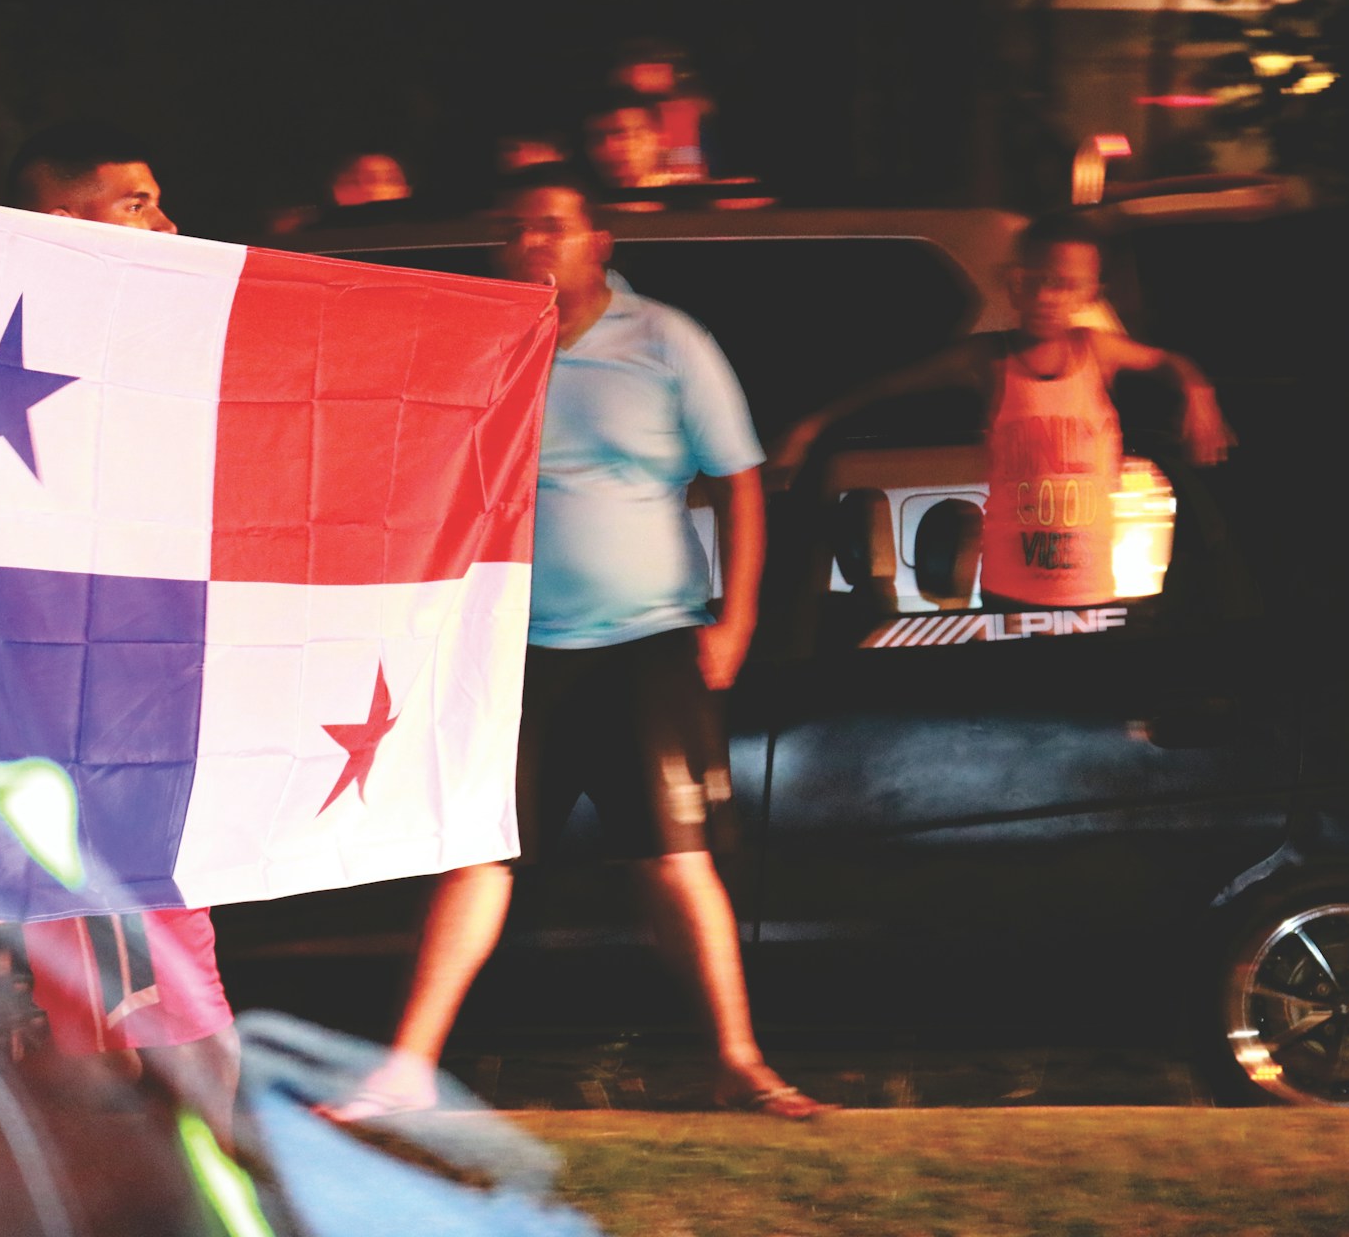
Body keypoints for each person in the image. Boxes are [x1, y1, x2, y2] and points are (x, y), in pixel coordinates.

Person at [337, 165, 820, 1121]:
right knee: (477, 855)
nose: (532, 243)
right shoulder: (484, 343)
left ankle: (738, 1060)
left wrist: (738, 619)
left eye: (552, 225)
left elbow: (742, 482)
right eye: (515, 229)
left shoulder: (668, 341)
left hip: (649, 640)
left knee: (675, 856)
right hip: (518, 649)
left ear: (599, 241)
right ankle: (404, 1069)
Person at [0, 120, 238, 1147]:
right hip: (9, 707)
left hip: (127, 714)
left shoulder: (162, 344)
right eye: (136, 201)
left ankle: (186, 1188)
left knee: (150, 987)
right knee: (38, 992)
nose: (170, 222)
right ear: (60, 220)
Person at [771, 211, 1234, 609]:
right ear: (1014, 282)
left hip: (1091, 593)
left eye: (1065, 284)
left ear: (1089, 292)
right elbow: (888, 385)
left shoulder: (1098, 352)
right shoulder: (989, 359)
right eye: (1035, 281)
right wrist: (810, 426)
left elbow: (1168, 362)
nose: (1048, 296)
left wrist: (1200, 394)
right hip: (1009, 594)